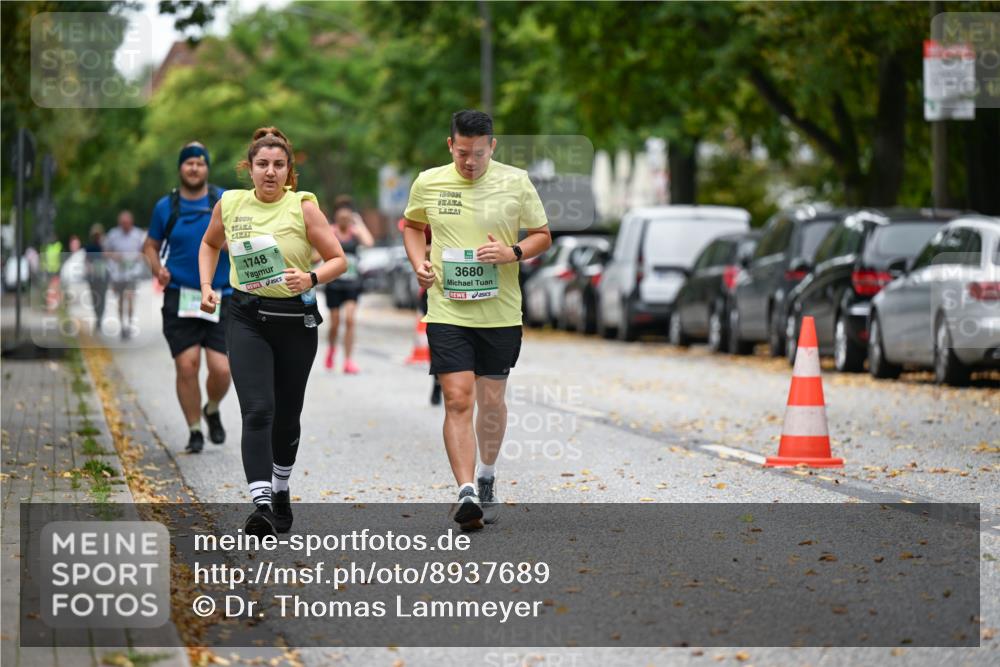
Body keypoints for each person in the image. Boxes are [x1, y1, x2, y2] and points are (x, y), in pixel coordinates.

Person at [402, 110, 552, 529]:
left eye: (480, 154)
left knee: (491, 400)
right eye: (463, 153)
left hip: (500, 311)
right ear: (450, 145)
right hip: (447, 308)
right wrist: (419, 263)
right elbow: (412, 227)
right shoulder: (429, 181)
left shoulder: (515, 181)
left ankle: (486, 473)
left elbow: (542, 234)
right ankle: (466, 491)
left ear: (493, 147)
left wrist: (513, 253)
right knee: (457, 397)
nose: (471, 162)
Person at [198, 126, 346, 537]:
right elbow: (209, 244)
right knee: (258, 410)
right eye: (262, 164)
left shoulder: (303, 208)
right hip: (246, 317)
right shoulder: (229, 204)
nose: (270, 172)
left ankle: (281, 489)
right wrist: (208, 286)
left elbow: (338, 259)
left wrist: (311, 276)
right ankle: (261, 503)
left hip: (295, 323)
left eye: (278, 165)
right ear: (249, 168)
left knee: (287, 415)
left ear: (289, 171)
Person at [143, 142, 232, 454]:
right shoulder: (165, 207)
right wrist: (158, 270)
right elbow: (150, 245)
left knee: (222, 369)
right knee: (188, 365)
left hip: (222, 295)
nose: (195, 168)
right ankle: (195, 429)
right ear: (180, 168)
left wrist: (229, 246)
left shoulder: (223, 200)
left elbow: (241, 239)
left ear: (207, 168)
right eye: (189, 163)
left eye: (200, 163)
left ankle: (213, 408)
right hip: (180, 294)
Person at [323, 199, 374, 373]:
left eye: (347, 215)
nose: (344, 218)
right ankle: (331, 349)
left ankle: (348, 360)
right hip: (334, 283)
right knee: (335, 323)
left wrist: (358, 222)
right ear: (336, 216)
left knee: (350, 320)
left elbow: (369, 242)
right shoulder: (331, 231)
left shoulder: (355, 232)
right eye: (341, 214)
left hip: (352, 284)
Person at [104, 210, 146, 339]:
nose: (125, 225)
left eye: (127, 223)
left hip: (132, 273)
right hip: (118, 274)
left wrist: (139, 257)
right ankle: (122, 325)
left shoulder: (138, 234)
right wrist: (114, 256)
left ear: (131, 222)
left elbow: (144, 251)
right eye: (123, 223)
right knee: (121, 301)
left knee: (130, 299)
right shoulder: (113, 234)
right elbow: (105, 252)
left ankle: (130, 324)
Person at [84, 225, 109, 332]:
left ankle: (100, 318)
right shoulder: (89, 247)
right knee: (95, 297)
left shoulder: (105, 246)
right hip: (93, 276)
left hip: (103, 275)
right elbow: (86, 261)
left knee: (102, 297)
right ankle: (97, 316)